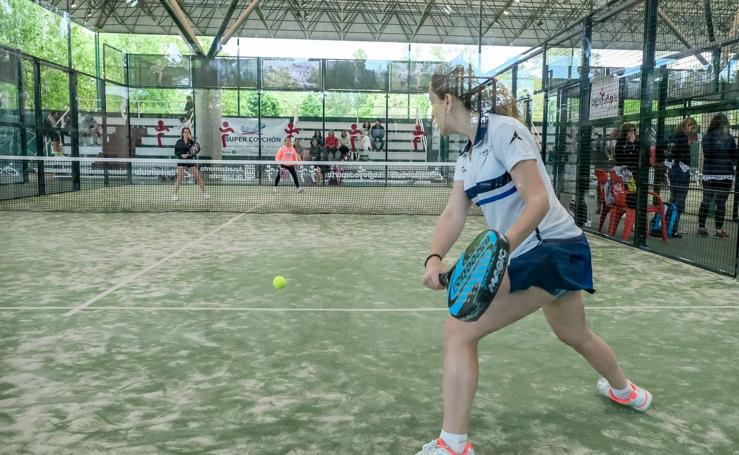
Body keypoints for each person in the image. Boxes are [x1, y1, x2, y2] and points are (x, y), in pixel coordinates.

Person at [416, 65, 652, 455]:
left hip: (551, 250)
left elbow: (538, 201)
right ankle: (627, 392)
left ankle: (453, 444)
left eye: (431, 104)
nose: (432, 114)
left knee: (458, 331)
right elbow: (453, 213)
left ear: (448, 100)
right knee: (574, 334)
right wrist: (434, 257)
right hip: (547, 252)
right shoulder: (468, 156)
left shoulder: (506, 131)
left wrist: (499, 251)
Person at [697, 114, 737, 238]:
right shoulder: (728, 137)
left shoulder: (706, 137)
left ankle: (701, 228)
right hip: (724, 174)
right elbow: (734, 155)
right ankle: (718, 231)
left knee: (706, 200)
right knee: (721, 203)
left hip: (709, 174)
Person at [666, 117, 697, 237]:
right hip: (681, 170)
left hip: (672, 169)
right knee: (680, 199)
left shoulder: (673, 135)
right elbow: (678, 152)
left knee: (673, 197)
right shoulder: (683, 137)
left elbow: (669, 151)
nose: (693, 130)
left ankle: (669, 223)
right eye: (692, 127)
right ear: (686, 126)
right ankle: (674, 227)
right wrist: (686, 145)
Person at [172, 127, 207, 201]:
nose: (186, 133)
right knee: (180, 177)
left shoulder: (192, 142)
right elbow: (176, 152)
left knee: (197, 176)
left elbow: (197, 148)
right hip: (181, 160)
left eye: (188, 132)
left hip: (190, 160)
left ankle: (204, 193)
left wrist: (189, 154)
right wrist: (181, 155)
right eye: (185, 132)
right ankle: (174, 195)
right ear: (182, 133)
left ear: (190, 134)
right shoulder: (179, 142)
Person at [614, 122, 639, 209]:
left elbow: (636, 156)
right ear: (625, 132)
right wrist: (631, 144)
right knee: (630, 189)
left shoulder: (637, 142)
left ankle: (633, 206)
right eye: (630, 131)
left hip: (634, 170)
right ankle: (629, 206)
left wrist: (633, 144)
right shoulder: (620, 142)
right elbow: (621, 157)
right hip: (624, 172)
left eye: (634, 131)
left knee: (634, 188)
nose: (632, 133)